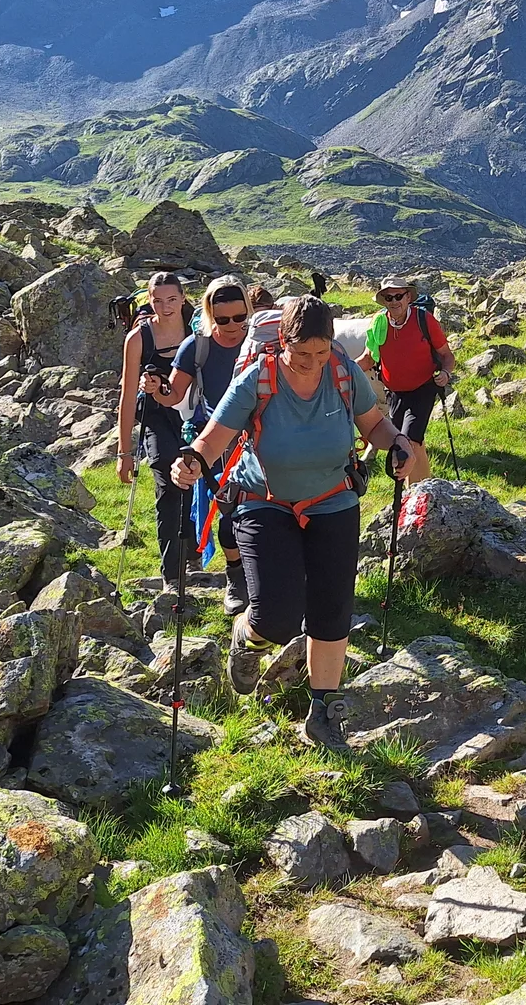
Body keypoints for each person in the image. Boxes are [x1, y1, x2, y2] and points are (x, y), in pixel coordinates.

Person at [172, 296, 429, 750]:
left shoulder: (345, 373)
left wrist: (398, 445)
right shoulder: (259, 378)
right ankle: (248, 639)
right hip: (264, 502)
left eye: (322, 351)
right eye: (302, 352)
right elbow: (213, 437)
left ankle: (323, 712)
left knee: (332, 609)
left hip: (333, 499)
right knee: (277, 615)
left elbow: (374, 425)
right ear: (282, 343)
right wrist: (190, 461)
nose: (312, 362)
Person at [152, 275, 252, 613]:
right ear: (210, 314)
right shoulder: (197, 346)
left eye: (240, 317)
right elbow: (175, 395)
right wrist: (157, 390)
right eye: (223, 320)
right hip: (215, 441)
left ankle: (257, 575)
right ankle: (237, 577)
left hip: (256, 439)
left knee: (258, 508)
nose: (233, 326)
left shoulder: (259, 342)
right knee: (228, 509)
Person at [117, 272, 194, 580]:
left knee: (192, 482)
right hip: (156, 417)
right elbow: (126, 395)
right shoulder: (138, 339)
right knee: (168, 485)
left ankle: (194, 557)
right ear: (149, 300)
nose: (165, 307)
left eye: (172, 300)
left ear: (183, 299)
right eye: (158, 301)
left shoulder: (198, 330)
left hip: (194, 415)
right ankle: (173, 573)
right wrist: (124, 452)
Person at [356, 277, 457, 447]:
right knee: (404, 441)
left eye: (399, 296)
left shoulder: (424, 320)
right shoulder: (379, 322)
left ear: (408, 297)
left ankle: (405, 474)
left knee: (408, 440)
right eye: (389, 298)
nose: (394, 301)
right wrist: (342, 370)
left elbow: (447, 355)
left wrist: (446, 373)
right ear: (384, 301)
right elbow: (369, 358)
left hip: (423, 389)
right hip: (394, 392)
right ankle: (420, 475)